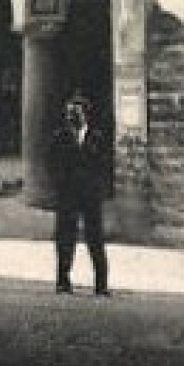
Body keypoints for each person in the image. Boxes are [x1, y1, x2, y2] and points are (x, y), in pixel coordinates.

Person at [48, 91, 112, 296]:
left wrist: (99, 189)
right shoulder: (60, 136)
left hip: (91, 195)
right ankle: (62, 281)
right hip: (68, 194)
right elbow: (51, 163)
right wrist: (59, 185)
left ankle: (101, 285)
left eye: (75, 113)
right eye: (68, 113)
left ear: (85, 114)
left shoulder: (97, 137)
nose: (71, 117)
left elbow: (105, 165)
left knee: (95, 239)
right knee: (65, 238)